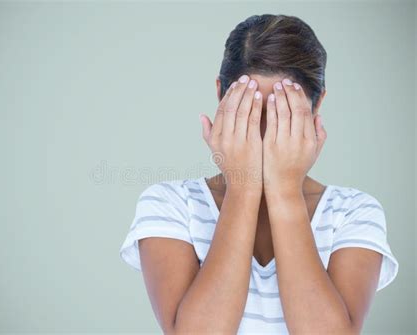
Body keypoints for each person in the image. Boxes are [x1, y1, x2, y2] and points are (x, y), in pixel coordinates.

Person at [119, 14, 399, 334]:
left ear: (317, 105)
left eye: (284, 114)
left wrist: (284, 189)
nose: (263, 133)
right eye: (247, 111)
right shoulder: (168, 205)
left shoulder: (355, 212)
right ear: (220, 96)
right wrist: (243, 186)